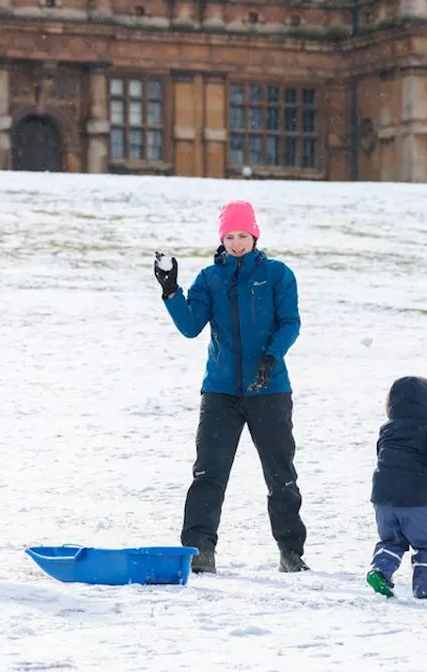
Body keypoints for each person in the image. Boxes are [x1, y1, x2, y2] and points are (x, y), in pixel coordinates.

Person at [153, 200, 309, 574]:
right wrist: (172, 291)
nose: (237, 243)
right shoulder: (210, 278)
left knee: (280, 473)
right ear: (222, 238)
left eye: (243, 235)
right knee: (209, 472)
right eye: (230, 236)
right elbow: (191, 326)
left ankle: (291, 552)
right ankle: (199, 551)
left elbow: (290, 323)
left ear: (254, 235)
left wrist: (271, 358)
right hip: (221, 391)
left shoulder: (277, 275)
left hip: (270, 390)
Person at [365, 376, 427, 599]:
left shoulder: (387, 429)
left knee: (391, 541)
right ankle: (426, 586)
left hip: (382, 499)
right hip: (413, 499)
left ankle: (380, 570)